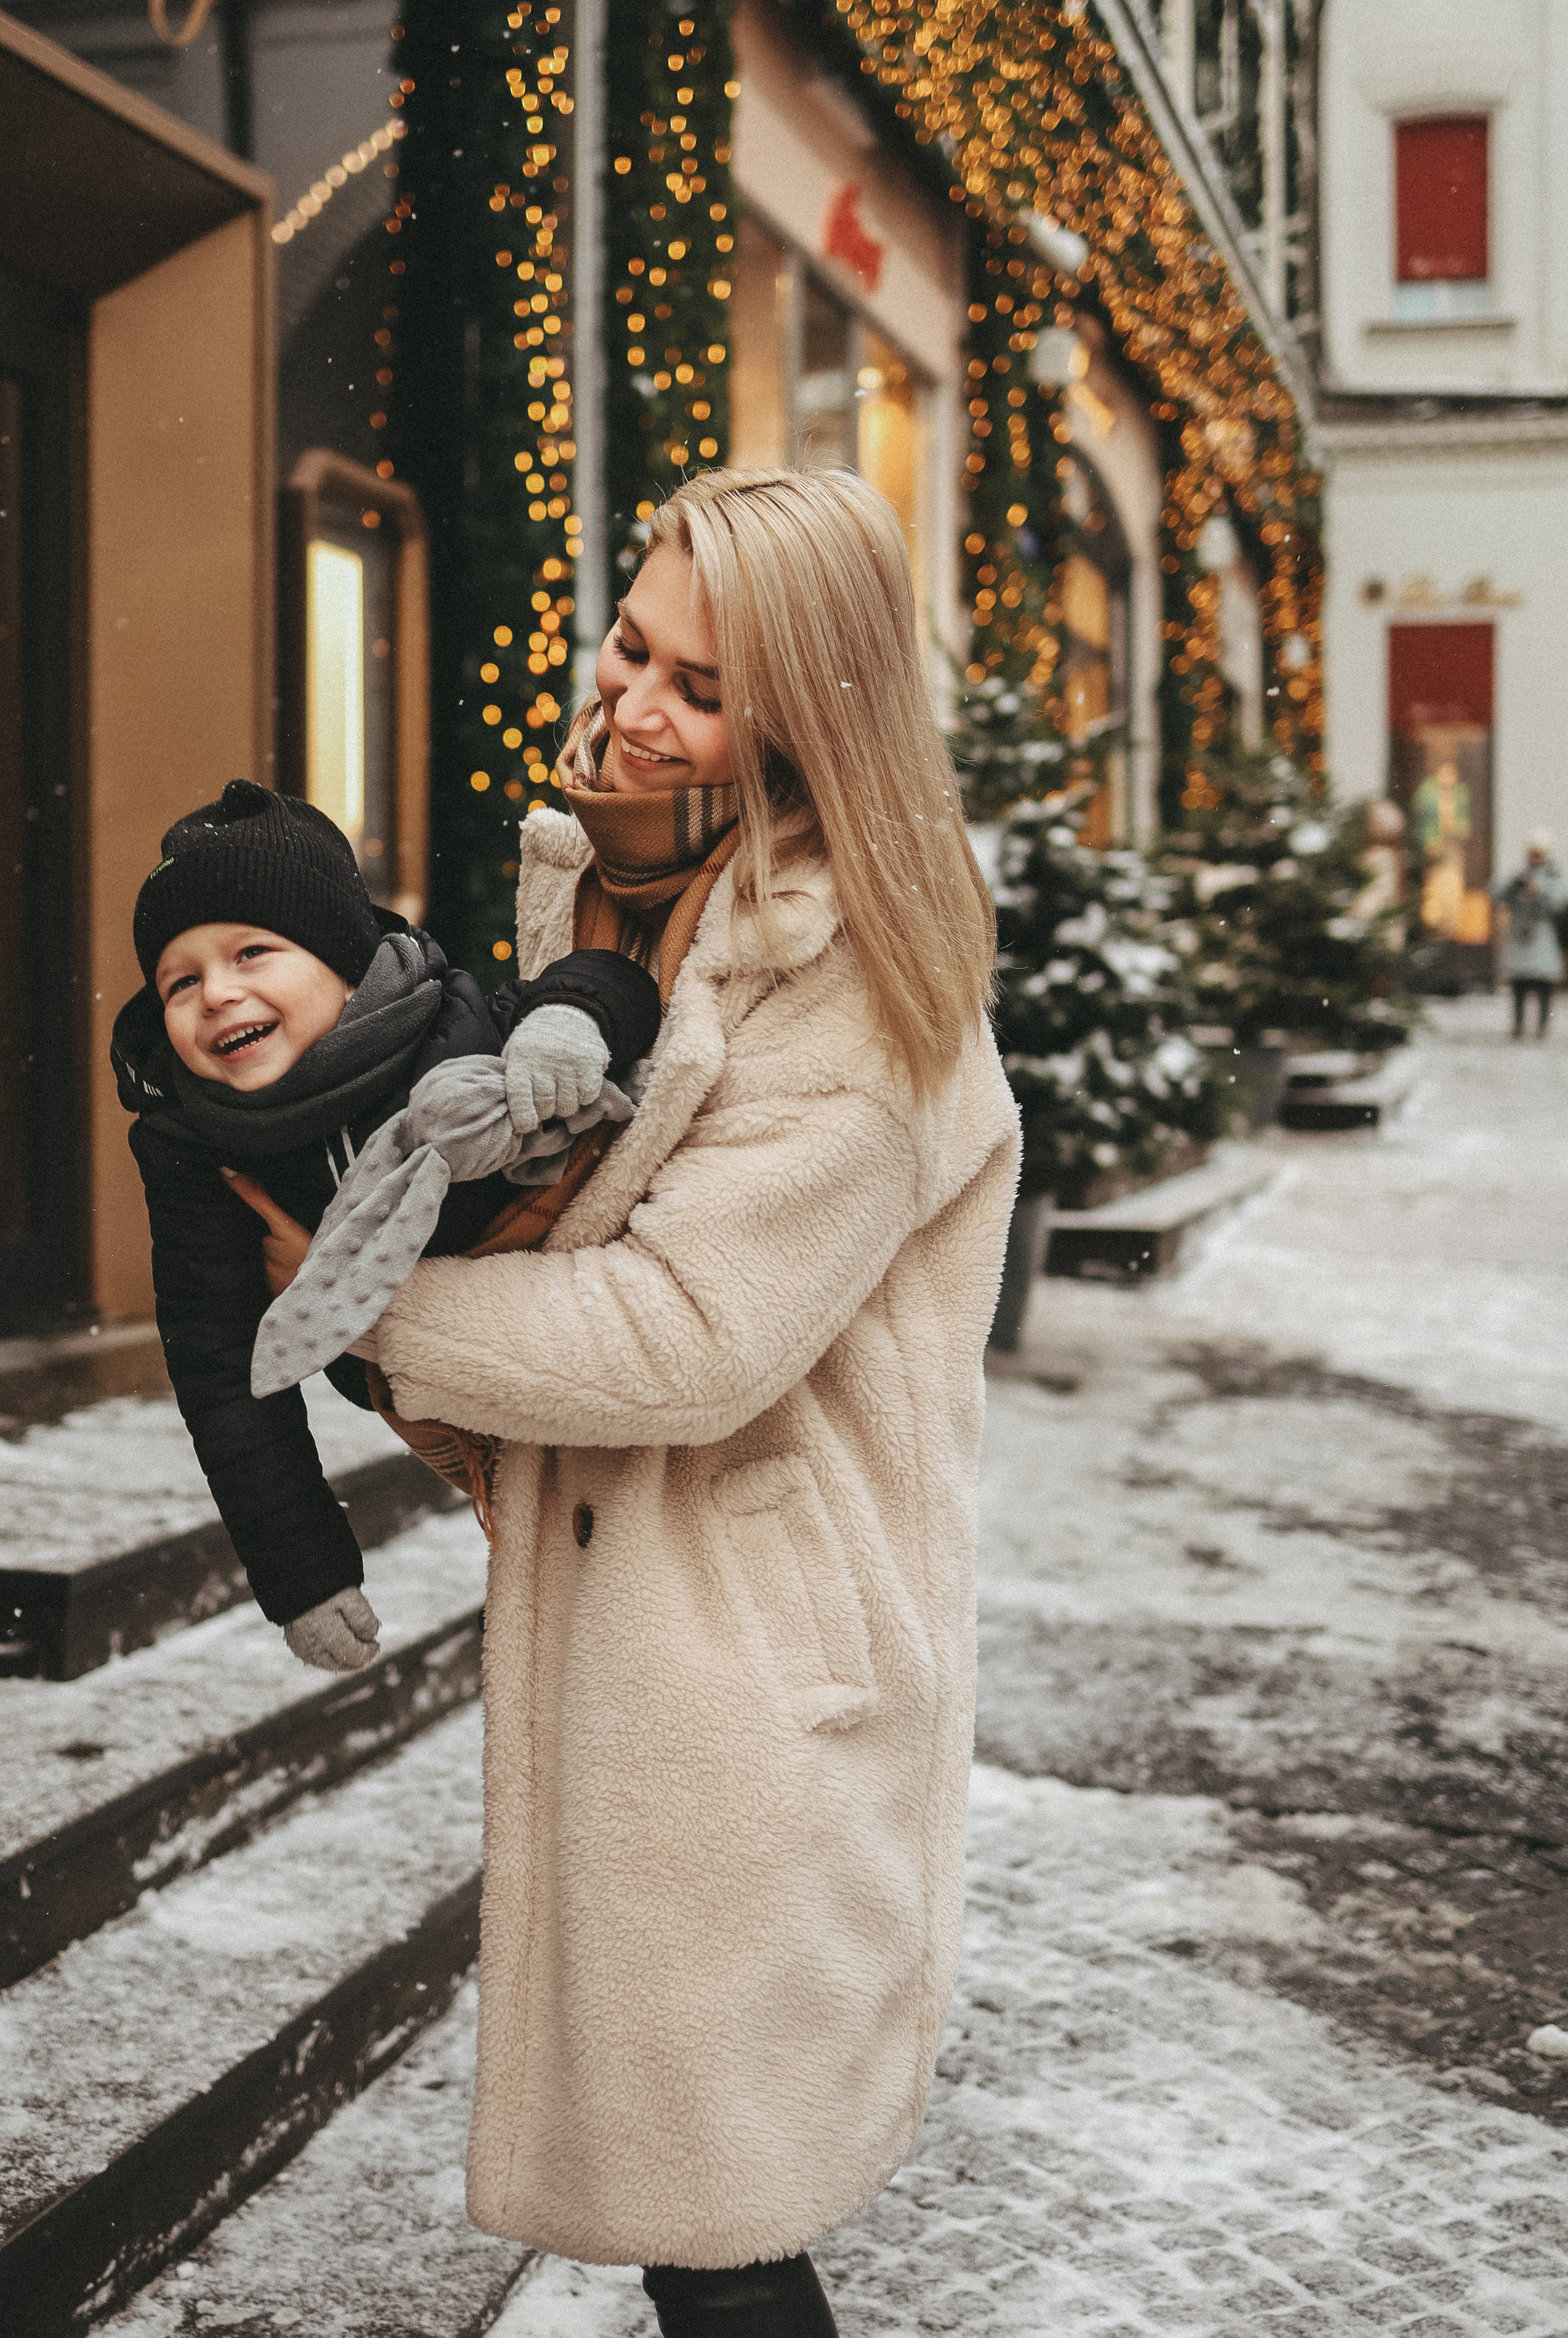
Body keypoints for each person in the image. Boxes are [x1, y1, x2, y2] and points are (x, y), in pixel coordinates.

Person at [339, 467, 1018, 2336]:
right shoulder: (631, 884)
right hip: (655, 1622)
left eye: (699, 686)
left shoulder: (864, 978)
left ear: (806, 721)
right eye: (631, 644)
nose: (633, 701)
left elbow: (688, 1331)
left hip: (751, 1665)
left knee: (719, 2225)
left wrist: (366, 1303)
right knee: (693, 2211)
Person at [111, 778, 660, 1671]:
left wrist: (570, 1020)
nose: (215, 993)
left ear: (343, 958)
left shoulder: (452, 1030)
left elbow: (612, 976)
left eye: (252, 952)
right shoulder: (197, 1153)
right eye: (180, 981)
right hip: (438, 1410)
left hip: (584, 1342)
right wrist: (302, 1575)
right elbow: (221, 1373)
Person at [1496, 833, 1567, 1038]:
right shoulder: (1519, 871)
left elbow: (1560, 899)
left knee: (1544, 983)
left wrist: (1540, 892)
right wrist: (1512, 884)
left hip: (1542, 931)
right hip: (1520, 931)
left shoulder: (1554, 873)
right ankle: (1518, 1025)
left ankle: (1542, 1025)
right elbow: (1498, 893)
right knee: (1519, 982)